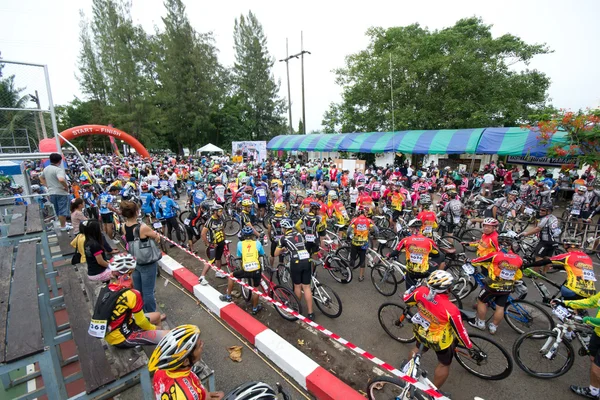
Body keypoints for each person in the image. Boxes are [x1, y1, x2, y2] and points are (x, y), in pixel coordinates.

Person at [403, 270, 472, 390]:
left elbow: (406, 299)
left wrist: (413, 289)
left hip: (422, 332)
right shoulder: (451, 309)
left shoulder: (421, 291)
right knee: (444, 364)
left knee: (417, 349)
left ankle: (408, 371)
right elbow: (460, 333)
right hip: (440, 341)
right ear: (447, 289)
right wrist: (469, 346)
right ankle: (433, 391)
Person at [96, 253, 169, 348]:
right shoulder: (133, 294)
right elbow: (141, 322)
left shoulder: (109, 287)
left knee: (157, 315)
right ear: (130, 272)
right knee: (168, 334)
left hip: (115, 330)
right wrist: (155, 329)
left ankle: (159, 343)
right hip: (122, 338)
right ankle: (161, 344)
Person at [149, 325, 224, 400]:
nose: (202, 345)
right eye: (199, 346)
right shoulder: (190, 396)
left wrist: (205, 395)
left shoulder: (159, 371)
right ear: (186, 361)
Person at [469, 232, 523, 334]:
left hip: (493, 286)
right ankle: (493, 327)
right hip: (507, 286)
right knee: (500, 307)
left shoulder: (495, 255)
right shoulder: (518, 258)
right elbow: (520, 273)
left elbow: (476, 261)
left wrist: (468, 260)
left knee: (481, 301)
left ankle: (480, 323)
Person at [121, 200, 162, 313]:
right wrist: (157, 234)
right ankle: (152, 315)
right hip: (146, 262)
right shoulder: (142, 228)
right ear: (137, 212)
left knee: (138, 290)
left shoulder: (124, 226)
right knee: (148, 291)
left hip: (134, 261)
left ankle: (141, 312)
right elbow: (156, 237)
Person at [525, 236, 596, 301]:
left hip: (574, 290)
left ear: (566, 246)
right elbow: (575, 267)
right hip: (591, 291)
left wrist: (527, 265)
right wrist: (555, 266)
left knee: (557, 305)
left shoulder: (567, 256)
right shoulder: (587, 257)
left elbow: (544, 262)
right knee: (575, 310)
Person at [274, 219, 315, 321]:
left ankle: (297, 308)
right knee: (306, 287)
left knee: (297, 286)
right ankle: (310, 313)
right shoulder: (300, 234)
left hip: (296, 262)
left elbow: (275, 253)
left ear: (284, 228)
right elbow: (300, 245)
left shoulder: (283, 238)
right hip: (307, 259)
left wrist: (283, 249)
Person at [219, 226, 265, 315]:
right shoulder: (258, 243)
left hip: (246, 269)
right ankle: (255, 308)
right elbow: (262, 253)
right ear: (252, 236)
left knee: (231, 276)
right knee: (256, 289)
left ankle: (228, 296)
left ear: (243, 236)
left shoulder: (240, 244)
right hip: (256, 269)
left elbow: (239, 255)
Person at [389, 219, 440, 289]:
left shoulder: (405, 240)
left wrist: (389, 255)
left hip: (411, 272)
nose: (409, 229)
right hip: (424, 271)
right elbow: (437, 254)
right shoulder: (429, 241)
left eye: (410, 228)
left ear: (412, 228)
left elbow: (396, 252)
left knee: (409, 293)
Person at [198, 205, 228, 285]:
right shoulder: (210, 221)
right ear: (215, 212)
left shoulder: (221, 219)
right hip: (213, 244)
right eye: (220, 211)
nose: (221, 213)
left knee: (219, 258)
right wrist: (208, 244)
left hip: (221, 242)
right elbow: (203, 233)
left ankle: (218, 272)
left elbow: (222, 229)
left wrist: (224, 239)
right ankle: (202, 277)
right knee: (211, 260)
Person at [40, 153, 70, 228]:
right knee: (63, 210)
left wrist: (47, 185)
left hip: (51, 192)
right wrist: (66, 187)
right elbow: (61, 179)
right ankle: (63, 226)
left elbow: (40, 177)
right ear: (60, 161)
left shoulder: (46, 169)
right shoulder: (58, 170)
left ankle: (63, 224)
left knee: (57, 210)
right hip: (61, 192)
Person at [348, 207, 377, 282]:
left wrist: (348, 237)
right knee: (362, 259)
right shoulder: (368, 220)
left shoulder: (354, 220)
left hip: (355, 242)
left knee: (352, 258)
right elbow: (376, 230)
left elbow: (348, 230)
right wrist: (375, 235)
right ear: (364, 213)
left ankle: (349, 273)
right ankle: (361, 276)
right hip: (364, 243)